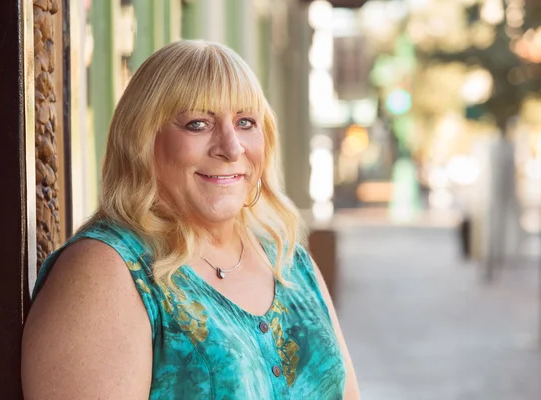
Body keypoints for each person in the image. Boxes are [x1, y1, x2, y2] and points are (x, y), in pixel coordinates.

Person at [21, 40, 360, 399]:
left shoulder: (288, 262)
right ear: (142, 140)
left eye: (246, 122)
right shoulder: (105, 270)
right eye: (198, 124)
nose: (231, 148)